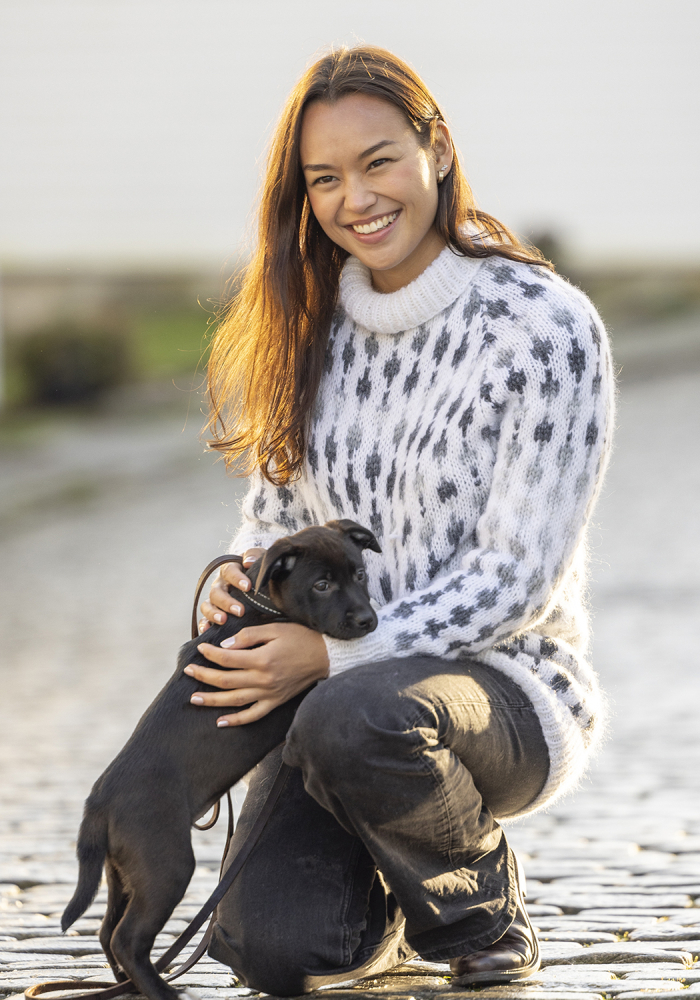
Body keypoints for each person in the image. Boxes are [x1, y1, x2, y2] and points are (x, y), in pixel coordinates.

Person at [183, 45, 614, 996]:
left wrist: (333, 657)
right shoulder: (309, 325)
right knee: (272, 951)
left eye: (379, 162)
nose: (357, 199)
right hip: (331, 701)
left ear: (438, 150)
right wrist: (238, 574)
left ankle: (479, 911)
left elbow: (513, 579)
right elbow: (275, 516)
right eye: (325, 179)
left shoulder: (543, 329)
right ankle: (390, 874)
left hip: (504, 690)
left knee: (358, 712)